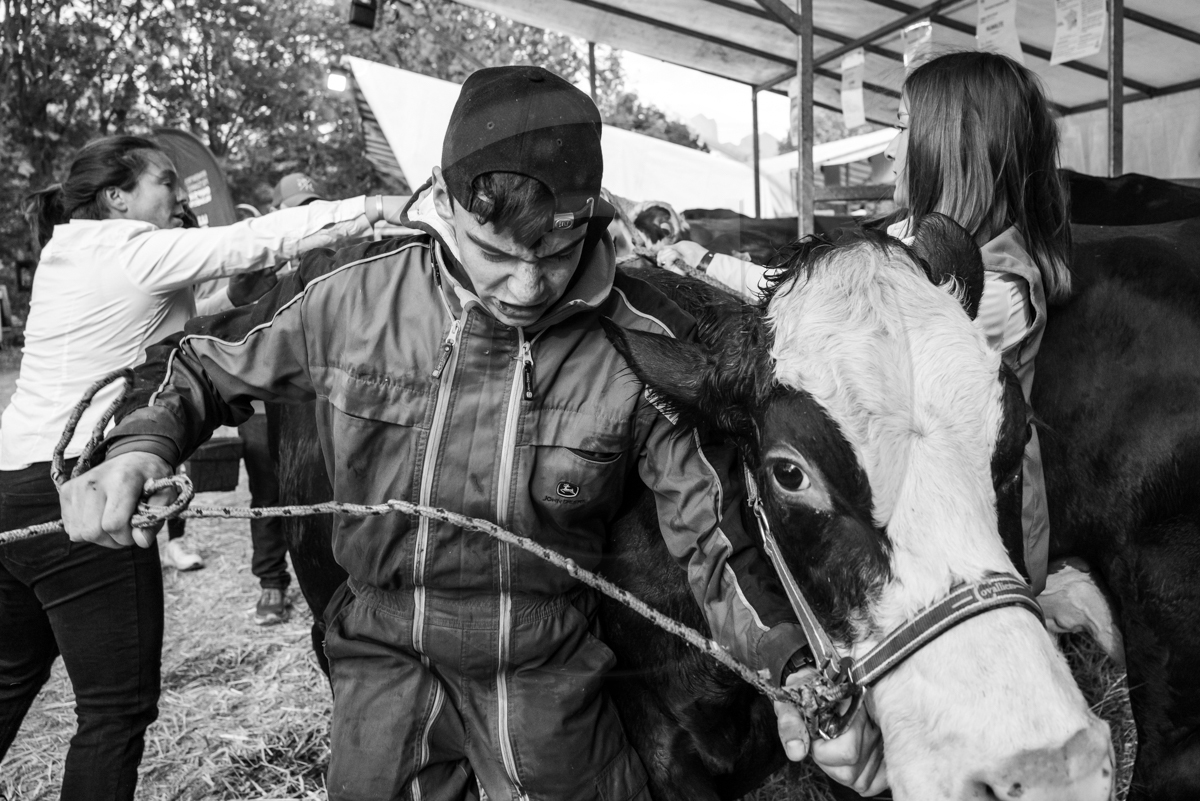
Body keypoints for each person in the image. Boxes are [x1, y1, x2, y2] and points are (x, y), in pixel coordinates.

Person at [59, 68, 887, 799]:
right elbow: (204, 365)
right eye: (498, 251)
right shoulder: (355, 301)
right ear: (445, 203)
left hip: (543, 660)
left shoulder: (634, 344)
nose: (528, 284)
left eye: (559, 248)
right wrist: (138, 450)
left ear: (591, 216)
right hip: (381, 648)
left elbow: (711, 537)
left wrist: (789, 667)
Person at [0, 133, 409, 800]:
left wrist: (229, 298)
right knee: (113, 712)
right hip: (90, 487)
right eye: (165, 182)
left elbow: (157, 325)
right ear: (118, 197)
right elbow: (261, 239)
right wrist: (380, 205)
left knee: (11, 675)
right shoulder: (123, 245)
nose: (180, 196)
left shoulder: (73, 251)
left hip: (14, 481)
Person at [664, 51, 1070, 598]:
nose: (887, 147)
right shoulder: (909, 241)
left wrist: (709, 268)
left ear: (952, 146)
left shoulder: (993, 290)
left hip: (972, 557)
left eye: (902, 127)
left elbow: (829, 330)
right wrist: (701, 261)